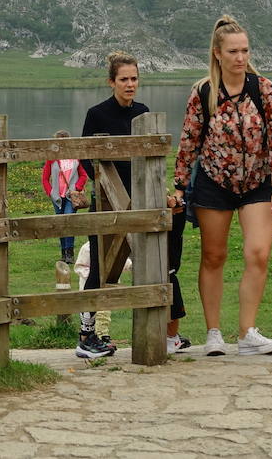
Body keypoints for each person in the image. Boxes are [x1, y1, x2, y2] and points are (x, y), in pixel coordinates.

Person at [175, 14, 272, 357]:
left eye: (245, 50)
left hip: (257, 182)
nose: (240, 58)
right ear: (217, 54)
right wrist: (180, 185)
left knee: (258, 252)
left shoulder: (264, 89)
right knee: (213, 255)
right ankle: (213, 333)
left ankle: (248, 333)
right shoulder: (204, 92)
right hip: (214, 182)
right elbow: (189, 141)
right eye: (233, 51)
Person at [75, 51, 191, 358]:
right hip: (107, 205)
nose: (130, 84)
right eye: (124, 79)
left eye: (134, 78)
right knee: (101, 270)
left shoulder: (143, 112)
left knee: (154, 264)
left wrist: (159, 192)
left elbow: (150, 159)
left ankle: (161, 335)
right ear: (111, 81)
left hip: (141, 205)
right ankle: (85, 337)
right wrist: (105, 189)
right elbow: (87, 156)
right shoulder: (97, 113)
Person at [43, 130, 87, 267]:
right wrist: (50, 193)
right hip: (57, 197)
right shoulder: (51, 159)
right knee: (60, 225)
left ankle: (69, 254)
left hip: (70, 197)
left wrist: (77, 188)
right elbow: (45, 178)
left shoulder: (75, 158)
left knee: (68, 222)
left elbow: (83, 175)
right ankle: (63, 253)